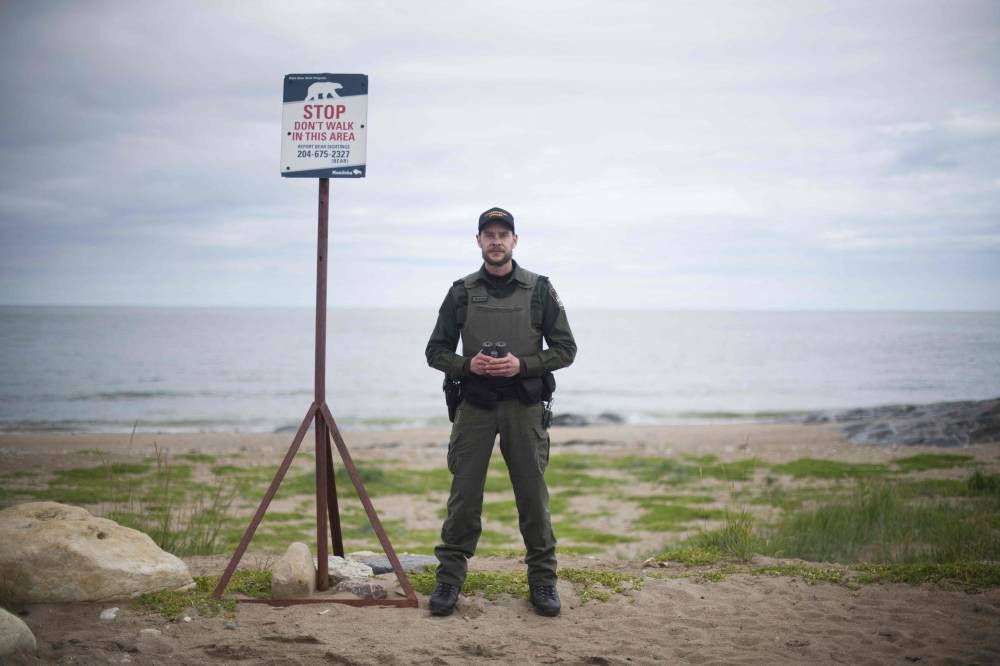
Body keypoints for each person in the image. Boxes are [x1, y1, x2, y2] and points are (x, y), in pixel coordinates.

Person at [424, 206, 577, 617]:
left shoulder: (540, 289)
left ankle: (543, 582)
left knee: (532, 498)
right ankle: (448, 581)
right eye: (488, 234)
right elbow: (435, 351)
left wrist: (522, 365)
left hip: (523, 407)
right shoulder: (460, 291)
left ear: (514, 241)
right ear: (478, 241)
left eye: (502, 234)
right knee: (463, 498)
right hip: (474, 406)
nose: (495, 240)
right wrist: (466, 364)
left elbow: (566, 350)